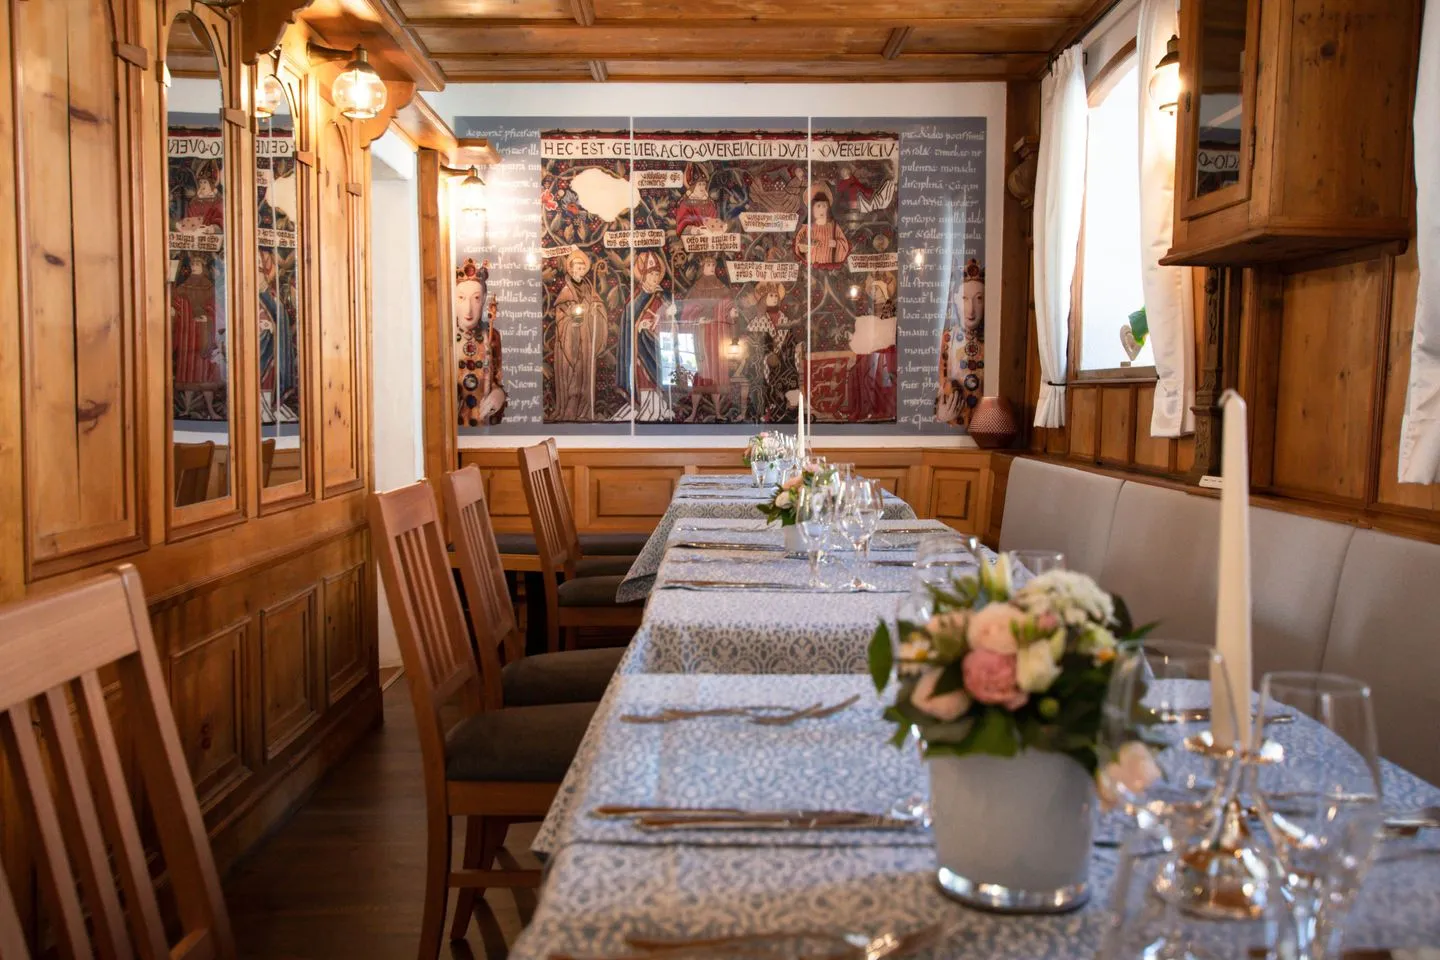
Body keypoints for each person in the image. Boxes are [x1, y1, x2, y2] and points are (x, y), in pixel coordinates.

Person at [551, 248, 607, 421]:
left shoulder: (590, 289)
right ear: (570, 269)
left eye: (583, 268)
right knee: (573, 373)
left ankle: (585, 409)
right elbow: (561, 317)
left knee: (585, 373)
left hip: (586, 338)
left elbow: (599, 310)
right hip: (571, 339)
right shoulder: (566, 292)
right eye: (577, 267)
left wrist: (595, 310)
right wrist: (572, 317)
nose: (580, 271)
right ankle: (570, 408)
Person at [679, 254, 735, 422]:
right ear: (702, 268)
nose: (711, 268)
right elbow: (686, 312)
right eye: (708, 265)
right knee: (700, 376)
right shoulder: (696, 289)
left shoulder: (723, 288)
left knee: (714, 376)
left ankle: (717, 413)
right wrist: (698, 319)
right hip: (701, 335)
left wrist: (732, 312)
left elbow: (728, 307)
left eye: (713, 265)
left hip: (716, 336)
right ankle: (693, 413)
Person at [618, 250, 672, 419]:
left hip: (656, 344)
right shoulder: (636, 297)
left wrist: (668, 315)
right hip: (640, 347)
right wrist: (640, 325)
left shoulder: (661, 296)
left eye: (657, 274)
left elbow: (668, 320)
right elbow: (629, 320)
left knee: (658, 376)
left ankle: (659, 408)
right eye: (651, 274)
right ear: (643, 275)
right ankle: (646, 408)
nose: (655, 278)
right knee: (644, 377)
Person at [455, 258, 506, 426]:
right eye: (461, 298)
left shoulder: (491, 336)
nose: (468, 309)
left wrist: (498, 395)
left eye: (476, 298)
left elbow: (496, 381)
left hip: (481, 424)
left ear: (484, 299)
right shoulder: (446, 337)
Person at [794, 184, 850, 268]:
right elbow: (799, 245)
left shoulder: (834, 226)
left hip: (828, 267)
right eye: (818, 206)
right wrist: (803, 246)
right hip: (811, 267)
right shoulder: (807, 227)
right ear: (812, 209)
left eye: (824, 206)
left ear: (828, 208)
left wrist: (836, 244)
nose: (822, 209)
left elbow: (844, 245)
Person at [674, 163, 722, 236]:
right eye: (699, 184)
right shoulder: (685, 203)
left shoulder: (709, 202)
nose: (702, 187)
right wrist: (695, 230)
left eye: (703, 184)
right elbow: (681, 226)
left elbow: (714, 220)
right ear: (693, 187)